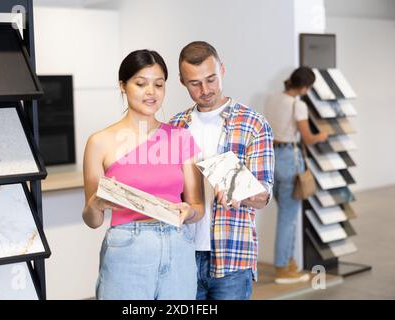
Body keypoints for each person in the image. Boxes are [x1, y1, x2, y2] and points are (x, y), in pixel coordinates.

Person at [82, 49, 204, 300]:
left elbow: (197, 207)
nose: (151, 92)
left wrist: (188, 211)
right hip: (127, 249)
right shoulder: (99, 142)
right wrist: (96, 203)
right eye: (141, 84)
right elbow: (92, 220)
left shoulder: (181, 138)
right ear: (123, 86)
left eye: (159, 85)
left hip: (178, 246)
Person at [169, 41, 274, 300]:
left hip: (232, 258)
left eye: (211, 79)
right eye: (195, 83)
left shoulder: (253, 124)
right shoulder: (174, 126)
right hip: (182, 254)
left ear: (222, 70)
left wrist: (238, 189)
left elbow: (263, 197)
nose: (205, 90)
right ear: (182, 81)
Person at [264, 66, 328, 284]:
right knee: (288, 218)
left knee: (285, 213)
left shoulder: (272, 99)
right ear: (304, 87)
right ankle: (282, 268)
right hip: (290, 160)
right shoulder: (297, 105)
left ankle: (289, 262)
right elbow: (308, 138)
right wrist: (322, 135)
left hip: (271, 158)